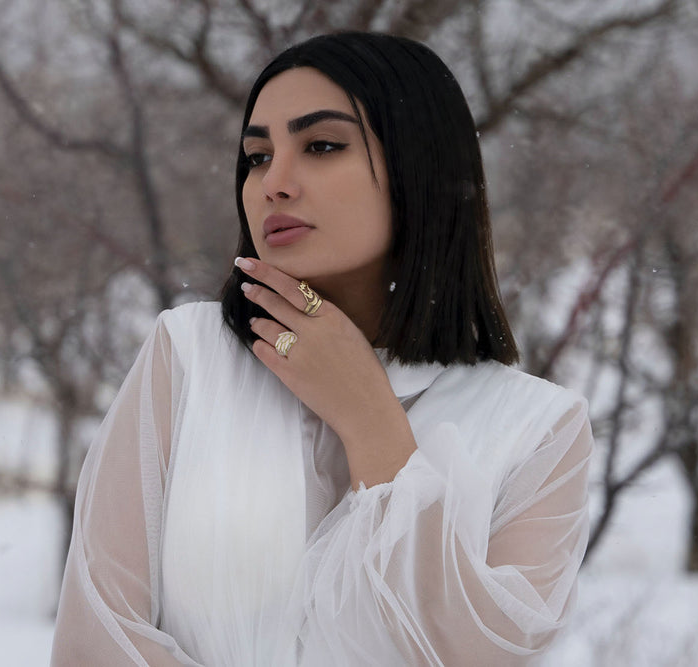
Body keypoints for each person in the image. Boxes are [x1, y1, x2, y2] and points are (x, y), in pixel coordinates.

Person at [51, 32, 592, 666]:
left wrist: (370, 421)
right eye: (257, 156)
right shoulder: (187, 358)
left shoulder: (540, 430)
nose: (274, 183)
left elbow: (480, 655)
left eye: (322, 146)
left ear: (420, 167)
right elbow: (96, 639)